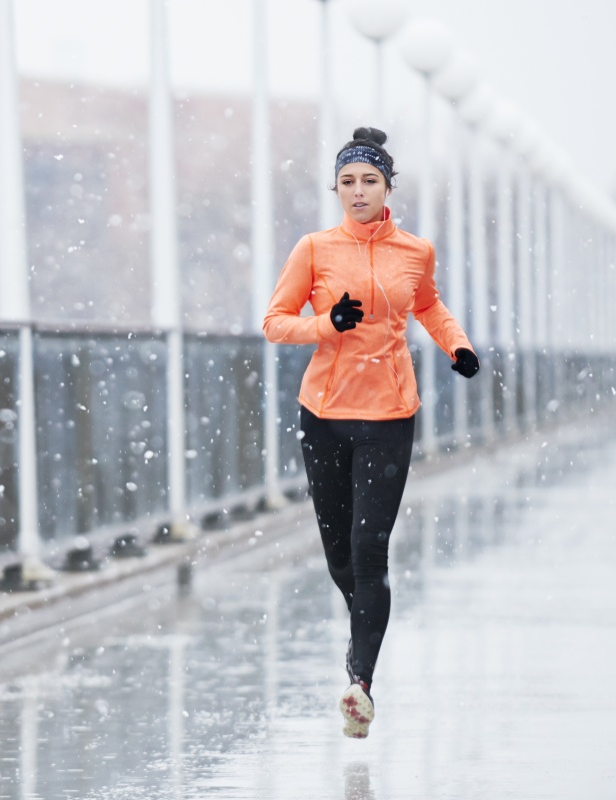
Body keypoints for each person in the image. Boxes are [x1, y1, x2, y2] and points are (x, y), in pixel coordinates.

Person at [262, 127, 479, 739]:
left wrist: (458, 346)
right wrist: (326, 324)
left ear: (388, 187)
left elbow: (428, 306)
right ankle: (365, 626)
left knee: (368, 550)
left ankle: (360, 683)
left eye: (370, 180)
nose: (358, 191)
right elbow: (275, 322)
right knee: (340, 555)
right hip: (325, 417)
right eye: (348, 181)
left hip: (388, 416)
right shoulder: (314, 249)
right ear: (336, 188)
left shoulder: (415, 251)